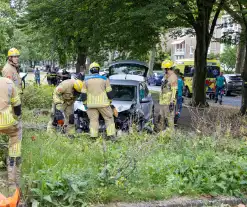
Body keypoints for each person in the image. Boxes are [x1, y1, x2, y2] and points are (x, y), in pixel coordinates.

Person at [80, 62, 116, 140]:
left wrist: (85, 104)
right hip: (103, 104)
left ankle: (93, 137)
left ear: (90, 70)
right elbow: (109, 92)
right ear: (98, 70)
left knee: (93, 121)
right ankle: (111, 136)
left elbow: (83, 94)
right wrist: (110, 101)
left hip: (91, 105)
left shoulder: (85, 80)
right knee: (109, 119)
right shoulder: (105, 79)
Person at [0, 77, 22, 195]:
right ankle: (12, 181)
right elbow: (17, 106)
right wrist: (17, 118)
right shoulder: (8, 82)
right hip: (7, 122)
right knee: (16, 134)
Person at [158, 60, 178, 131]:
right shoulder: (166, 76)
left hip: (169, 102)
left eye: (164, 68)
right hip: (163, 101)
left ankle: (171, 133)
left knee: (169, 118)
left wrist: (172, 102)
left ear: (167, 68)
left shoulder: (173, 77)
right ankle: (161, 133)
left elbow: (174, 90)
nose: (163, 70)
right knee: (161, 118)